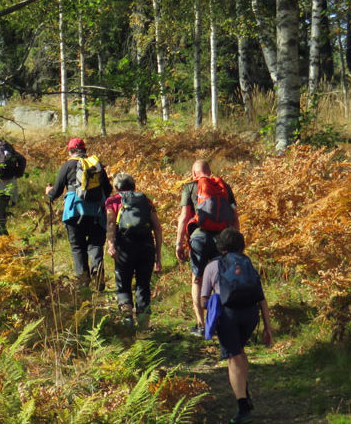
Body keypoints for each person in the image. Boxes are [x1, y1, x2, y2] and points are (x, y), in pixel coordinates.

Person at [200, 228, 273, 424]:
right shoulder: (247, 264)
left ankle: (242, 406)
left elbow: (203, 300)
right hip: (251, 315)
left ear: (220, 246)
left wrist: (210, 307)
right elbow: (261, 298)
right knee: (239, 351)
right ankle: (245, 392)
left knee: (233, 358)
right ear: (242, 245)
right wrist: (268, 327)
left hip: (228, 316)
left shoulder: (213, 266)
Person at [176, 159, 240, 337]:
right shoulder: (224, 187)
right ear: (209, 171)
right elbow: (235, 216)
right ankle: (223, 322)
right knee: (221, 280)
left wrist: (179, 242)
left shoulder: (190, 187)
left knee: (197, 279)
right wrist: (237, 242)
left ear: (194, 173)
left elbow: (184, 217)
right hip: (223, 238)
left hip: (199, 238)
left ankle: (201, 324)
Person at [46, 137, 112, 289]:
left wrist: (49, 191)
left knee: (77, 246)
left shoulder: (67, 166)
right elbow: (108, 190)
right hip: (96, 211)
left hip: (74, 211)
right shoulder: (96, 165)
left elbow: (55, 193)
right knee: (95, 244)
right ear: (84, 150)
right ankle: (97, 272)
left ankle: (83, 281)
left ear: (70, 151)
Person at [105, 172, 163, 328]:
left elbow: (111, 223)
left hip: (124, 246)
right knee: (143, 285)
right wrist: (158, 256)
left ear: (116, 187)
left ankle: (127, 320)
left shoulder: (113, 201)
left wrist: (111, 245)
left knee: (123, 283)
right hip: (146, 246)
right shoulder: (145, 200)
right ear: (134, 185)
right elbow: (157, 228)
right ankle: (144, 325)